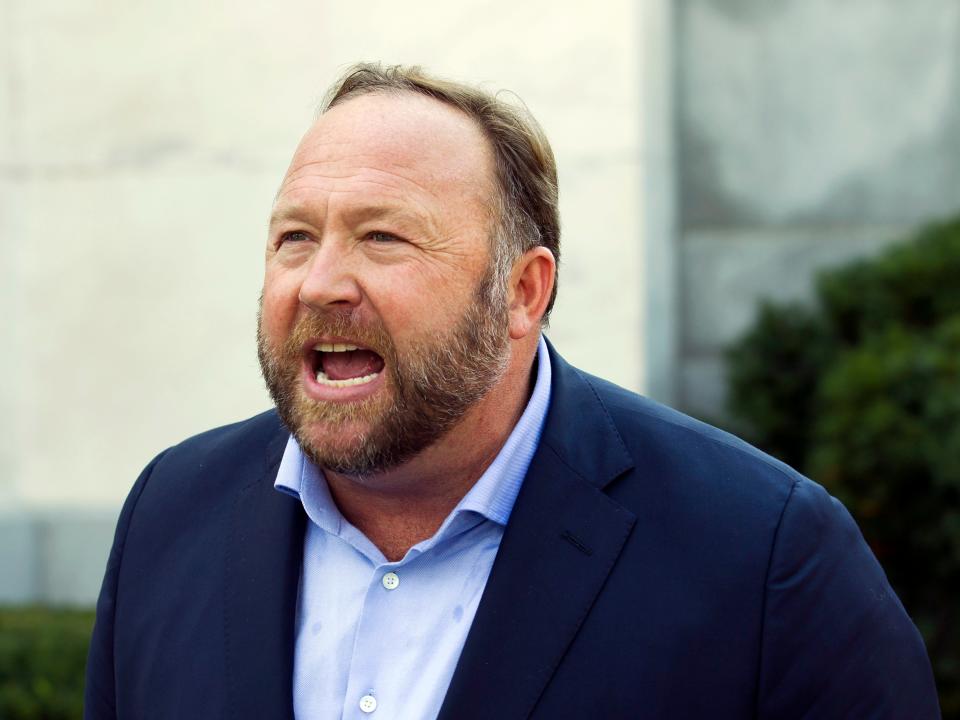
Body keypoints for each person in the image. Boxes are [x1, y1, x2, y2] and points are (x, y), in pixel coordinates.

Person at [84, 63, 940, 720]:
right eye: (295, 237)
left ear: (522, 295)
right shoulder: (171, 514)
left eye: (383, 237)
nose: (320, 283)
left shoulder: (767, 558)